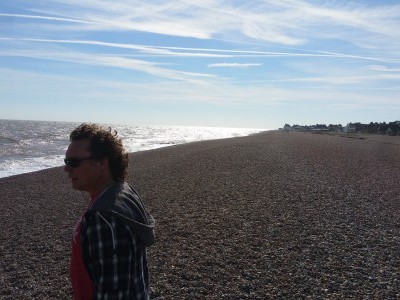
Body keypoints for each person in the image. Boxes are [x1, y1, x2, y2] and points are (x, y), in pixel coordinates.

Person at [64, 123, 155, 300]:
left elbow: (114, 292)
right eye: (66, 161)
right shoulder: (121, 191)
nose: (66, 169)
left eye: (73, 162)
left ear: (102, 162)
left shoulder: (105, 218)